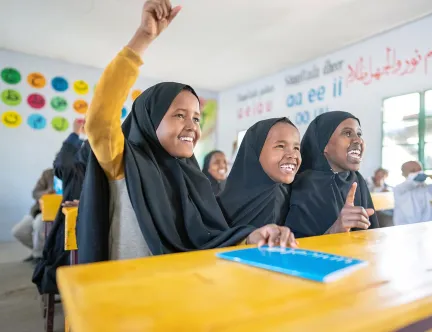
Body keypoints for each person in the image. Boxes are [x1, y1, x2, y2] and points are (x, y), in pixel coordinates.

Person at [77, 0, 297, 264]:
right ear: (150, 119)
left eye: (196, 117)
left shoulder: (194, 179)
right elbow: (100, 119)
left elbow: (210, 238)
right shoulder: (123, 162)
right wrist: (142, 39)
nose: (192, 126)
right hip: (130, 292)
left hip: (183, 288)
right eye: (179, 115)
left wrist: (255, 236)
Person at [285, 111, 379, 238]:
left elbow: (371, 236)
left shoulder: (356, 179)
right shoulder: (303, 184)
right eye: (347, 133)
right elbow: (295, 249)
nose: (358, 140)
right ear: (324, 145)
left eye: (359, 134)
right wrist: (336, 229)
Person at [218, 118, 301, 228]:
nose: (292, 155)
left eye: (296, 148)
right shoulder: (218, 206)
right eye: (280, 146)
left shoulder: (292, 199)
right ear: (255, 151)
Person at [32, 140, 91, 294]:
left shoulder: (89, 176)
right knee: (35, 225)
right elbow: (35, 193)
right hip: (45, 211)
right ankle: (37, 255)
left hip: (66, 214)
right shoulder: (50, 174)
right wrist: (47, 195)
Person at [11, 168, 54, 263]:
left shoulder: (74, 175)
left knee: (39, 225)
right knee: (18, 231)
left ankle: (39, 256)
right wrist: (47, 192)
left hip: (54, 213)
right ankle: (40, 252)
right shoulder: (48, 174)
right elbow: (35, 193)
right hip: (38, 210)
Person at [393, 161, 432, 226]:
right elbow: (413, 181)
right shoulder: (400, 189)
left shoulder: (425, 187)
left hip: (426, 226)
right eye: (413, 171)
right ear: (404, 174)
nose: (418, 172)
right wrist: (427, 176)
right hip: (406, 227)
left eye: (420, 169)